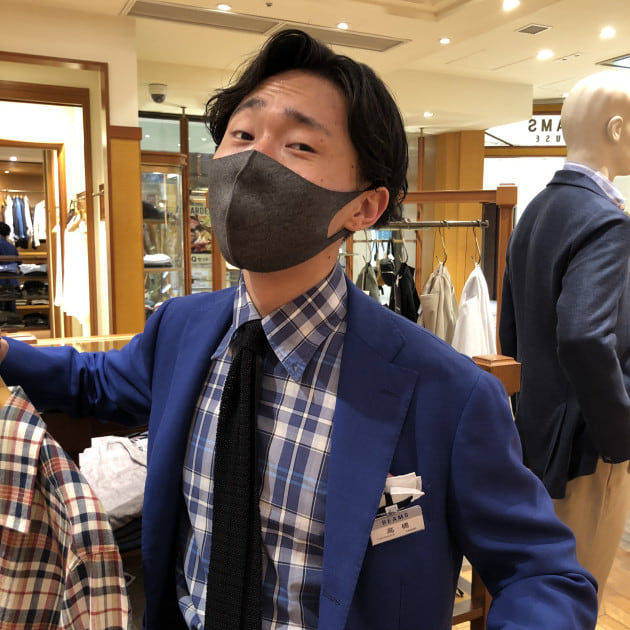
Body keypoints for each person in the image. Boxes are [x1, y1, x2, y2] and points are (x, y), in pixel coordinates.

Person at [0, 29, 596, 630]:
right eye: (242, 134)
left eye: (300, 145)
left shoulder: (448, 393)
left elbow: (543, 574)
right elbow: (94, 381)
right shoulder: (181, 328)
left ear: (364, 206)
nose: (254, 160)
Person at [499, 70, 630, 605]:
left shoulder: (534, 211)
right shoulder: (606, 222)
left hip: (534, 440)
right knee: (575, 596)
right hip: (587, 451)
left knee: (538, 588)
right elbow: (584, 337)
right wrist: (621, 437)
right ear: (617, 129)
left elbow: (510, 329)